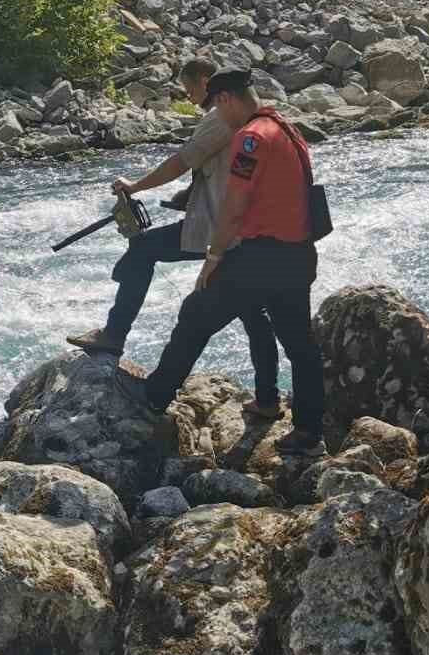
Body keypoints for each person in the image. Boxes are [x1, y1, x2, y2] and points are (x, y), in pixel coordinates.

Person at [116, 67, 326, 457]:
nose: (217, 113)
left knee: (195, 312)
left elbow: (234, 206)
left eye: (216, 105)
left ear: (227, 99)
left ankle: (155, 395)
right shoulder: (286, 128)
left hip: (261, 257)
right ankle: (308, 433)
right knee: (301, 346)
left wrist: (212, 258)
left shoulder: (249, 138)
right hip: (299, 255)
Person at [67, 56, 282, 418]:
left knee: (143, 249)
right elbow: (217, 170)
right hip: (245, 231)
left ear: (207, 83)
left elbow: (182, 161)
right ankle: (268, 397)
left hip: (222, 228)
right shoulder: (258, 117)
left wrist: (135, 185)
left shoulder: (220, 117)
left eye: (190, 89)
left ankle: (116, 338)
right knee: (253, 313)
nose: (191, 96)